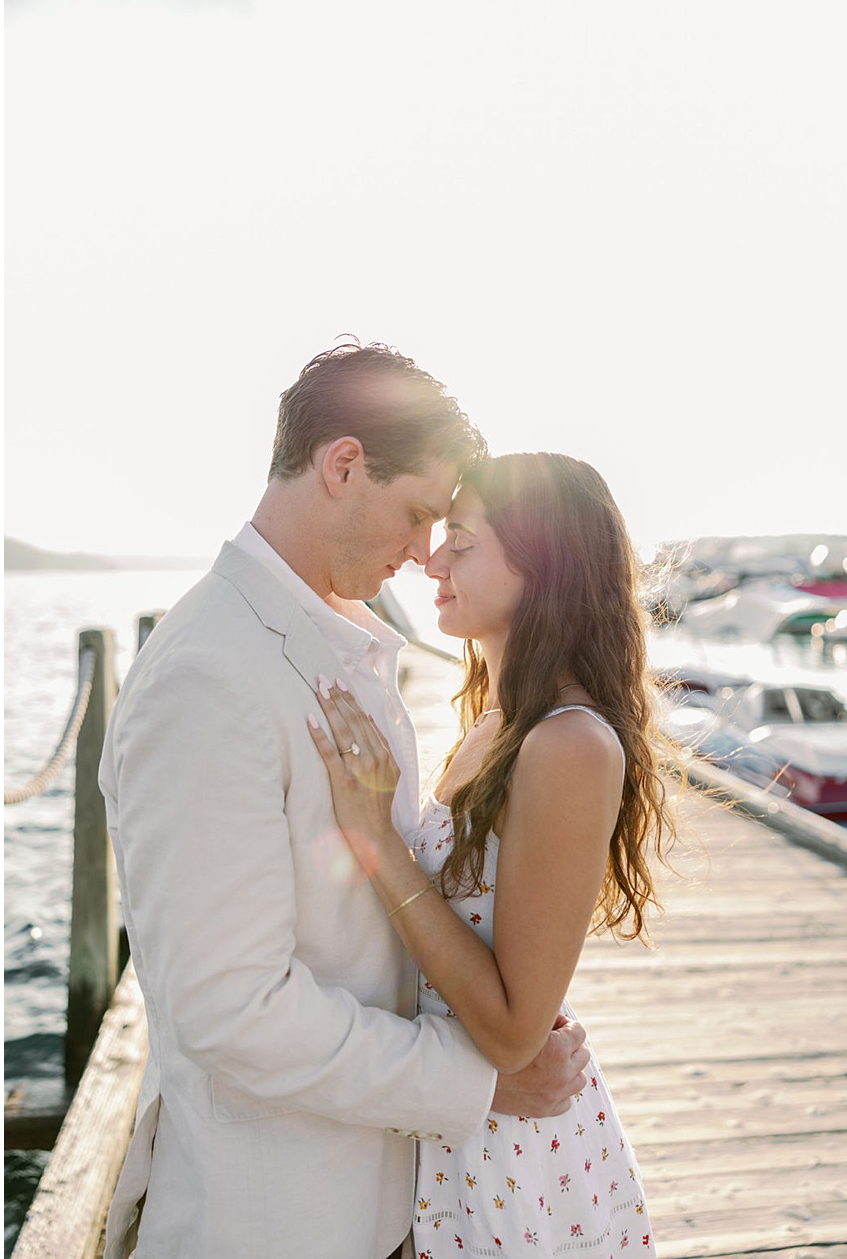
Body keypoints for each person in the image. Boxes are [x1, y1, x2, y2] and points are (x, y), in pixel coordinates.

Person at [97, 342, 593, 1259]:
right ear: (342, 465)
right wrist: (476, 1081)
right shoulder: (207, 679)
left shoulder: (332, 644)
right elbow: (230, 1008)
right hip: (273, 1220)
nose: (421, 552)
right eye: (414, 514)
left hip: (381, 1202)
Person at [307, 452, 673, 1255]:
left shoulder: (570, 744)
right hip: (456, 1120)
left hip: (510, 1160)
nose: (432, 559)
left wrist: (373, 836)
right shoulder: (494, 725)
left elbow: (514, 1033)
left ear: (542, 567)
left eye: (463, 541)